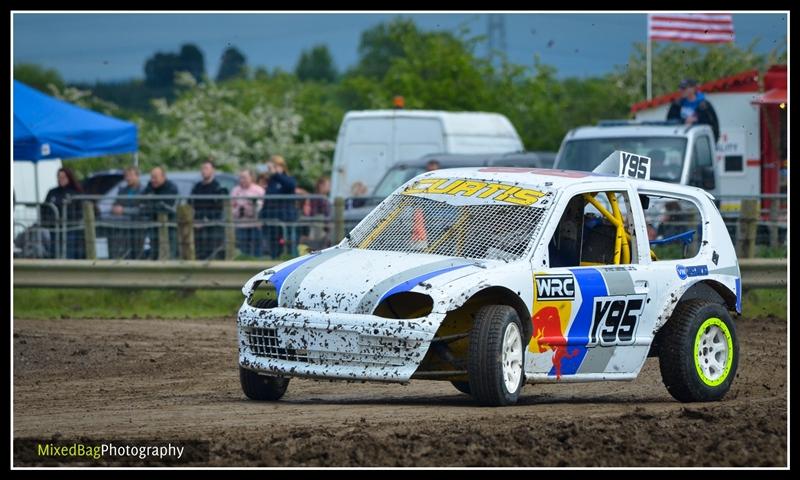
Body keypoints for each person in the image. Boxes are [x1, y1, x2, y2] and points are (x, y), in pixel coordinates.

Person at [259, 155, 298, 258]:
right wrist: (262, 216)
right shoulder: (271, 182)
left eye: (275, 166)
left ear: (281, 166)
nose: (272, 170)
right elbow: (268, 199)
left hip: (286, 220)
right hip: (272, 220)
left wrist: (276, 174)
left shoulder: (288, 179)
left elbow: (291, 186)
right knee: (274, 247)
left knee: (288, 247)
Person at [41, 167, 85, 259]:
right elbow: (44, 208)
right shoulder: (52, 192)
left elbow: (79, 211)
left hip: (70, 229)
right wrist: (47, 222)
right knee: (54, 252)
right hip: (54, 229)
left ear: (69, 178)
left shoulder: (75, 193)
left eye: (63, 177)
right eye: (59, 177)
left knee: (69, 253)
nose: (61, 179)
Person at [189, 160, 228, 260]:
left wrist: (207, 220)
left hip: (212, 226)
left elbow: (219, 208)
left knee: (211, 252)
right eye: (202, 168)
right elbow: (190, 204)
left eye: (206, 168)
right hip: (197, 225)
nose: (203, 171)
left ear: (213, 170)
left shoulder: (217, 188)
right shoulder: (197, 187)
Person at [140, 166, 179, 259]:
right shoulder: (150, 186)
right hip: (154, 223)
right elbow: (142, 201)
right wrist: (154, 203)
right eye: (151, 177)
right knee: (154, 249)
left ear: (163, 177)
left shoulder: (171, 188)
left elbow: (165, 206)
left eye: (155, 177)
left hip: (169, 225)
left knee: (169, 250)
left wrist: (152, 202)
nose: (153, 180)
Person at [110, 166, 144, 258]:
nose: (128, 178)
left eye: (130, 175)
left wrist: (124, 210)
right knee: (123, 251)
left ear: (137, 176)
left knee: (137, 251)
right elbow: (116, 203)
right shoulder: (122, 190)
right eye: (126, 176)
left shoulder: (143, 190)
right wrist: (114, 208)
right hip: (122, 226)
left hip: (138, 226)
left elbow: (141, 209)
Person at [231, 168, 265, 257]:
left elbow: (263, 206)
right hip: (241, 224)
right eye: (241, 177)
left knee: (257, 248)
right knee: (243, 249)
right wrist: (239, 210)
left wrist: (252, 206)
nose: (242, 180)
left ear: (251, 178)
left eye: (245, 177)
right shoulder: (235, 190)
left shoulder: (259, 190)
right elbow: (231, 207)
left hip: (255, 224)